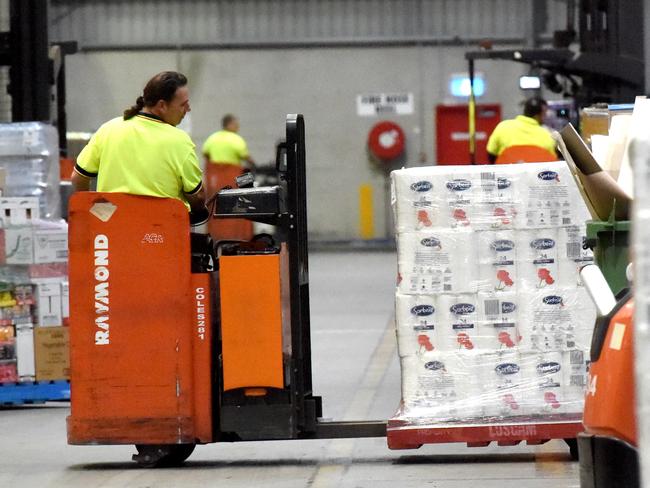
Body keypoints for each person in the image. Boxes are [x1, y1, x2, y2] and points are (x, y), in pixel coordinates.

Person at [71, 71, 206, 219]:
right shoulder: (180, 141)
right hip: (162, 235)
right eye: (183, 105)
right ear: (162, 105)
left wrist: (98, 210)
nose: (188, 109)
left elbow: (78, 178)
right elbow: (197, 197)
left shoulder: (109, 129)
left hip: (112, 232)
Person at [201, 114, 255, 240]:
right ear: (230, 124)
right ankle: (238, 236)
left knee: (216, 207)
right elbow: (246, 157)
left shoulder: (212, 138)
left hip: (215, 184)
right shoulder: (236, 139)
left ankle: (216, 236)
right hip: (233, 180)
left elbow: (206, 154)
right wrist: (255, 165)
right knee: (239, 205)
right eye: (236, 124)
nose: (238, 127)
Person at [486, 97, 558, 164]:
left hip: (505, 175)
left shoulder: (503, 126)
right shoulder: (547, 136)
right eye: (545, 113)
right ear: (538, 115)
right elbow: (551, 162)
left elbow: (491, 153)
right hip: (534, 176)